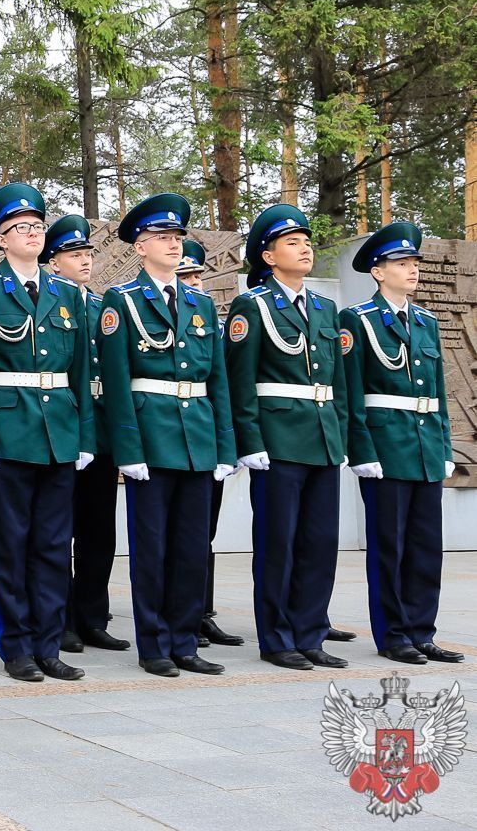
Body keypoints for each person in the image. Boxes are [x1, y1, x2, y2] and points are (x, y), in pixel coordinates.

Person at [0, 183, 95, 683]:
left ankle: (48, 644)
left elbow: (80, 371)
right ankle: (16, 647)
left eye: (37, 226)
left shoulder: (67, 293)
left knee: (54, 546)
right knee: (11, 545)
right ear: (1, 238)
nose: (33, 233)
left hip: (59, 432)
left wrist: (85, 438)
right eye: (21, 228)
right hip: (8, 429)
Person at [98, 195, 235, 677]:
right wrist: (127, 448)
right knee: (152, 549)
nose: (174, 245)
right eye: (162, 237)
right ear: (140, 247)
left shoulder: (200, 303)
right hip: (151, 437)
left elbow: (218, 380)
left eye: (177, 237)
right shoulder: (122, 301)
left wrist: (225, 445)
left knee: (192, 548)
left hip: (197, 437)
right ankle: (155, 645)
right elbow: (116, 381)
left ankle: (185, 641)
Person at [225, 204, 349, 671]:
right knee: (278, 543)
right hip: (277, 440)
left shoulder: (325, 308)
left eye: (307, 241)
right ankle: (277, 639)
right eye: (292, 243)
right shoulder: (253, 306)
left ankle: (310, 634)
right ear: (268, 256)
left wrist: (340, 437)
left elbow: (336, 382)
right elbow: (240, 381)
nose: (305, 248)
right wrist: (250, 442)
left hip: (322, 438)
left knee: (320, 542)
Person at [340, 222, 463, 665]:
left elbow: (439, 393)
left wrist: (445, 448)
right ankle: (393, 635)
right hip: (386, 446)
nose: (412, 270)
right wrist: (362, 451)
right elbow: (352, 391)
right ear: (378, 271)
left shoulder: (426, 322)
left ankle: (421, 632)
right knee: (389, 547)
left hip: (425, 446)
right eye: (402, 263)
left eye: (414, 263)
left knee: (426, 548)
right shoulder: (357, 320)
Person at [42, 214, 129, 655]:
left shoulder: (100, 307)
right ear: (53, 262)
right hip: (62, 424)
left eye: (88, 253)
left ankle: (93, 617)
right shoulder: (49, 302)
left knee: (99, 531)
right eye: (73, 254)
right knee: (59, 530)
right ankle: (61, 620)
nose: (85, 260)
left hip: (101, 428)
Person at [177, 239, 245, 649]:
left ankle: (202, 613)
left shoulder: (215, 327)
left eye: (197, 276)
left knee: (205, 532)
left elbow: (226, 387)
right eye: (185, 276)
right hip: (175, 435)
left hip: (210, 439)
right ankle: (179, 615)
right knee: (180, 533)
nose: (194, 282)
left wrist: (228, 444)